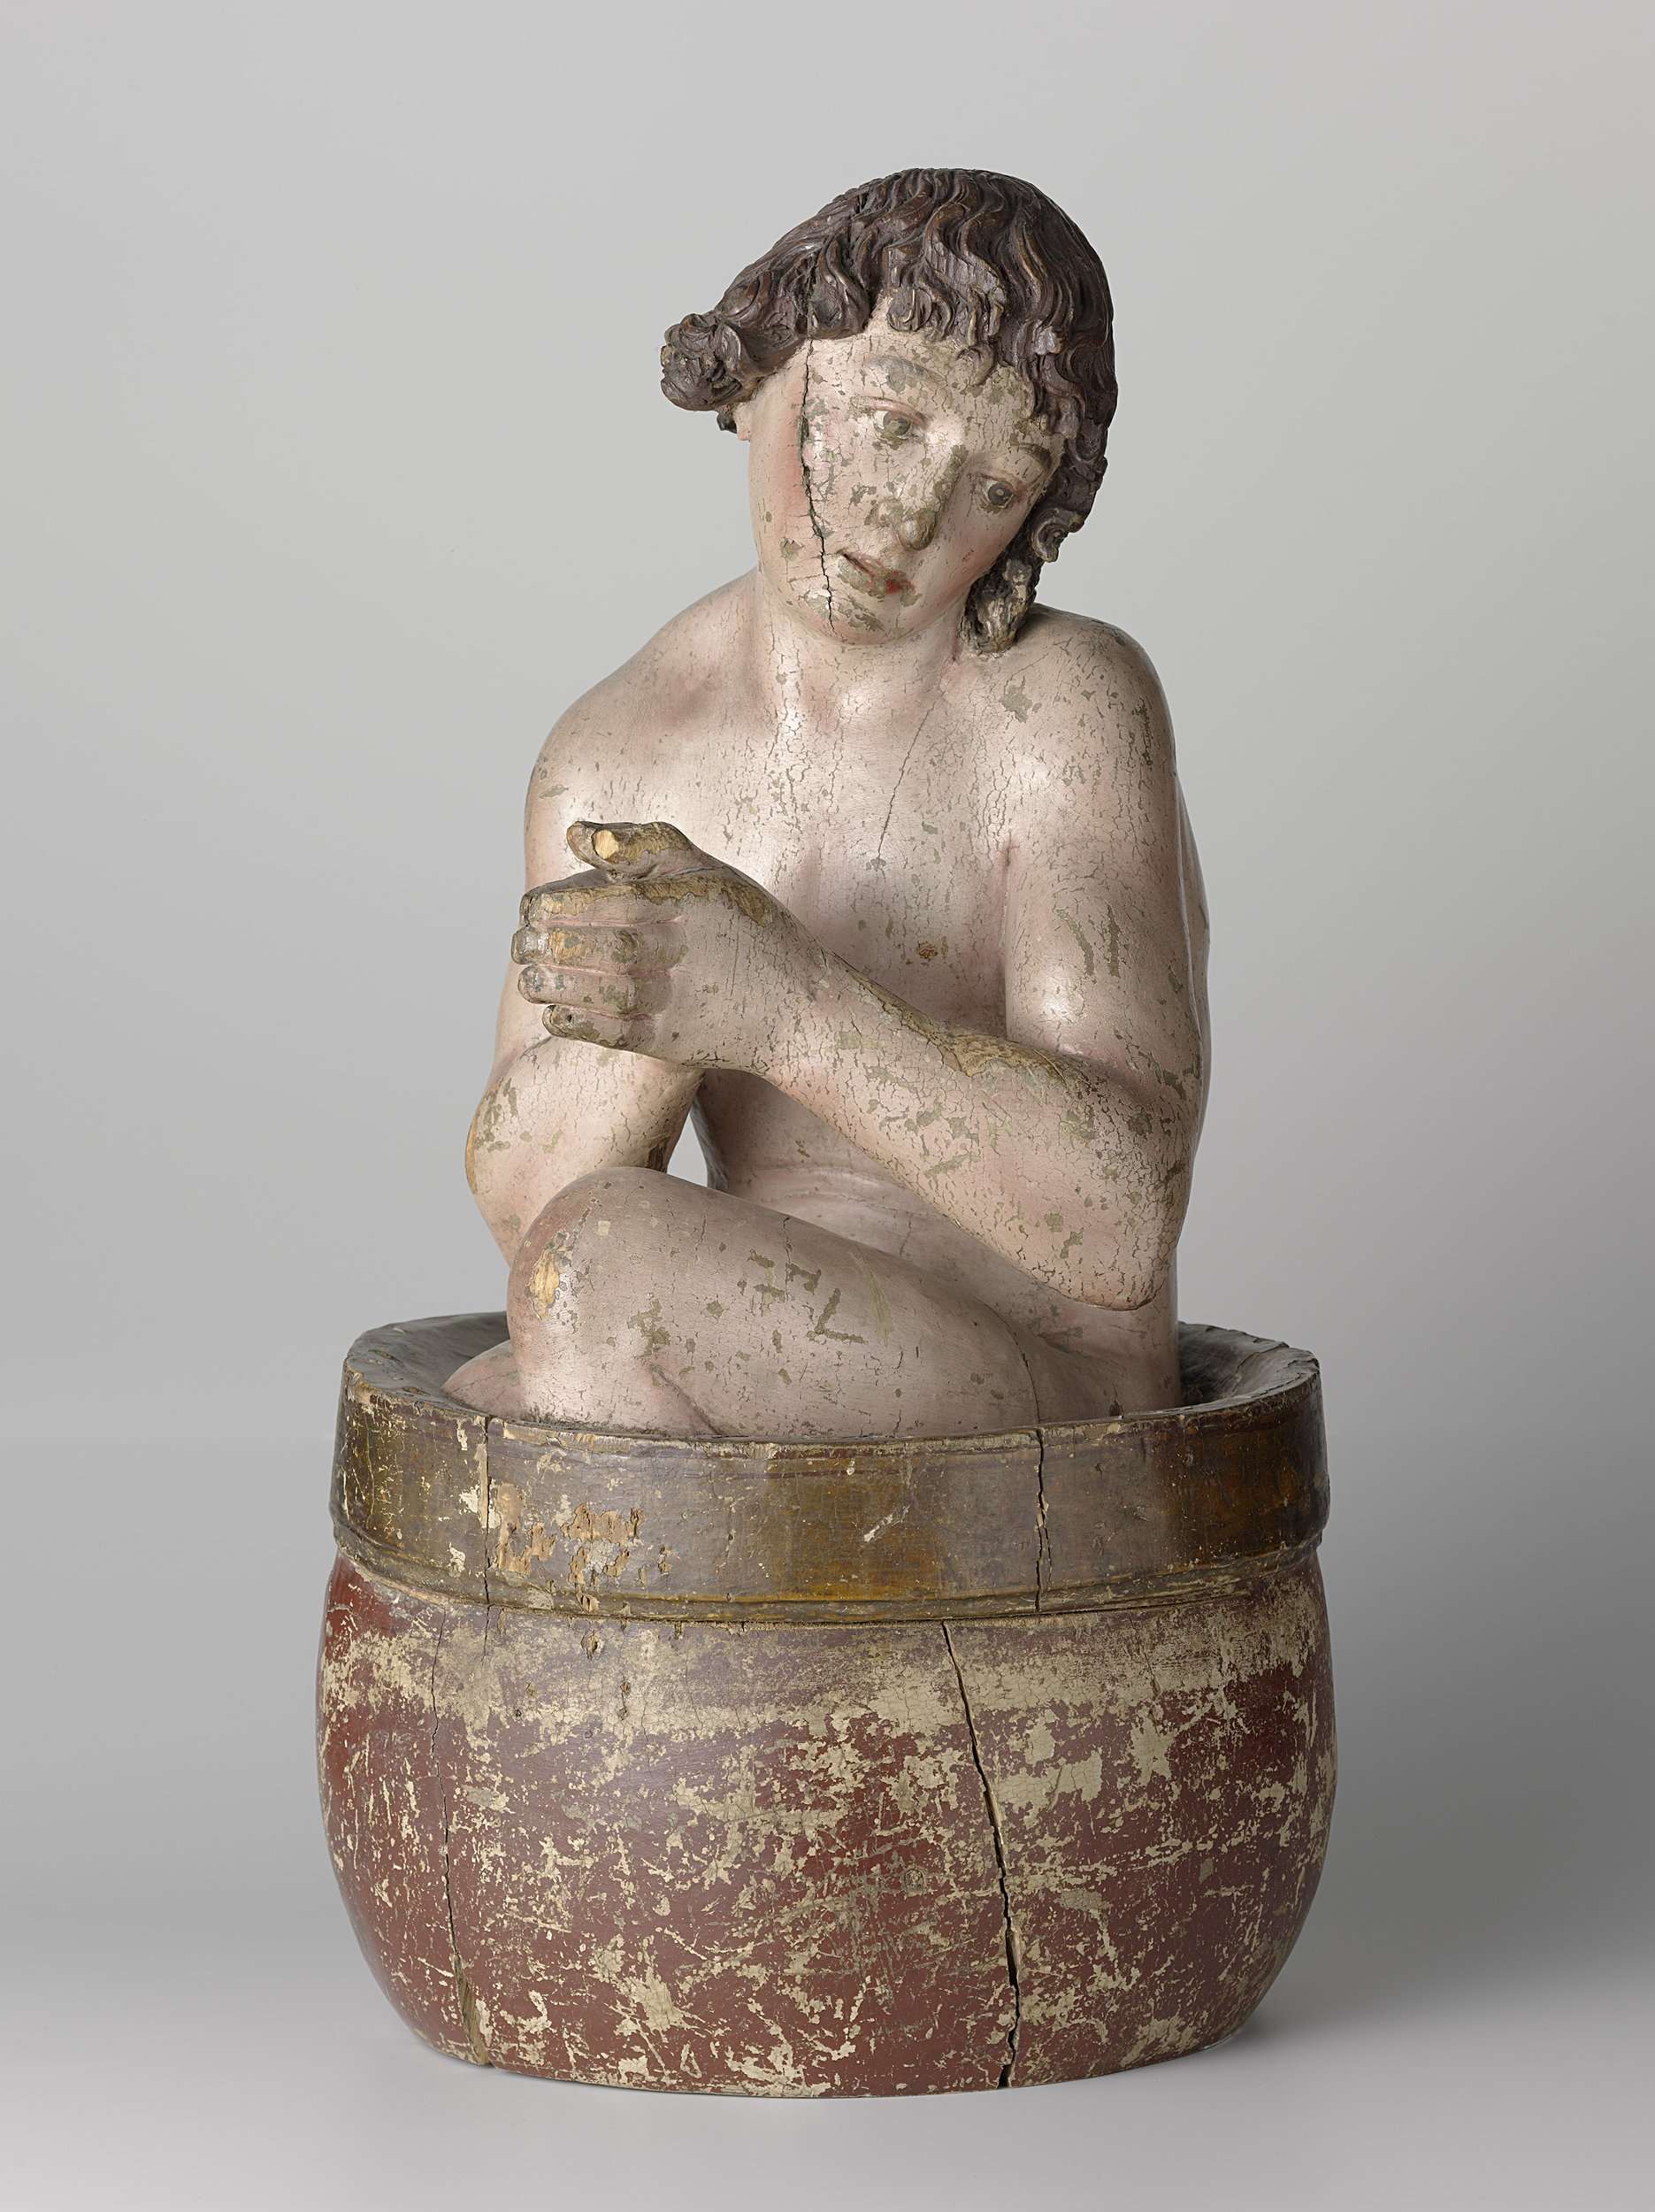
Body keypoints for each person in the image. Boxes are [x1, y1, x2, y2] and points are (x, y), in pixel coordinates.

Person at [447, 168, 1210, 1438]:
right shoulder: (618, 750)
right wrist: (661, 1007)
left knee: (599, 1282)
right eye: (892, 421)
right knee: (511, 1368)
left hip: (1043, 1390)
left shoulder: (1061, 713)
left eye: (996, 486)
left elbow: (1122, 1220)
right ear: (760, 372)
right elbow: (528, 1209)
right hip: (766, 1346)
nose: (912, 515)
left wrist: (783, 1009)